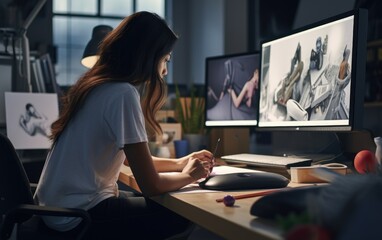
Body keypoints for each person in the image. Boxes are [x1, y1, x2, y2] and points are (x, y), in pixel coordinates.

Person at [34, 11, 213, 239]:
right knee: (181, 215)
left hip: (55, 212)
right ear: (148, 56)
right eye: (165, 59)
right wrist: (190, 176)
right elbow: (151, 185)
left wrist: (181, 163)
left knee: (161, 204)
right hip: (78, 216)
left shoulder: (96, 87)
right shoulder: (122, 93)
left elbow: (130, 159)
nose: (165, 70)